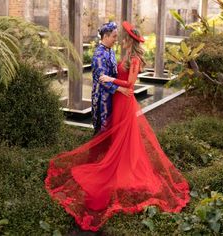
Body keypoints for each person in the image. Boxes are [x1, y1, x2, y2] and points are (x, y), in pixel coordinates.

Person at [45, 21, 190, 232]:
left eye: (121, 36)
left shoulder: (133, 58)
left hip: (124, 100)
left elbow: (130, 84)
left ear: (129, 40)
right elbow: (112, 78)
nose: (119, 39)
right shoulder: (112, 55)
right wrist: (112, 82)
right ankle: (106, 159)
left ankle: (119, 167)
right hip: (117, 100)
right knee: (113, 134)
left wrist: (113, 81)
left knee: (123, 136)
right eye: (115, 35)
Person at [91, 21, 132, 134]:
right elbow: (102, 79)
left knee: (112, 127)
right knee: (102, 128)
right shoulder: (99, 54)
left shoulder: (111, 51)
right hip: (102, 97)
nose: (116, 39)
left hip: (112, 95)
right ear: (105, 36)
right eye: (114, 36)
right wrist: (121, 89)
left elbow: (114, 73)